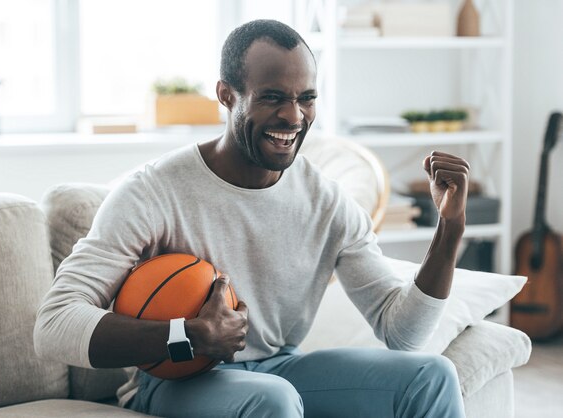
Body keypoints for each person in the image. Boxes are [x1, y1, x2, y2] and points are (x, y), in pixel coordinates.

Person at [34, 19, 470, 418]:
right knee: (273, 399)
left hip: (281, 369)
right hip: (173, 380)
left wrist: (449, 228)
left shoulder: (328, 203)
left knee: (432, 375)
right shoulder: (152, 192)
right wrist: (184, 335)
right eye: (273, 97)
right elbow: (53, 325)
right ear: (227, 95)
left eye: (307, 99)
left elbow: (403, 334)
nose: (294, 117)